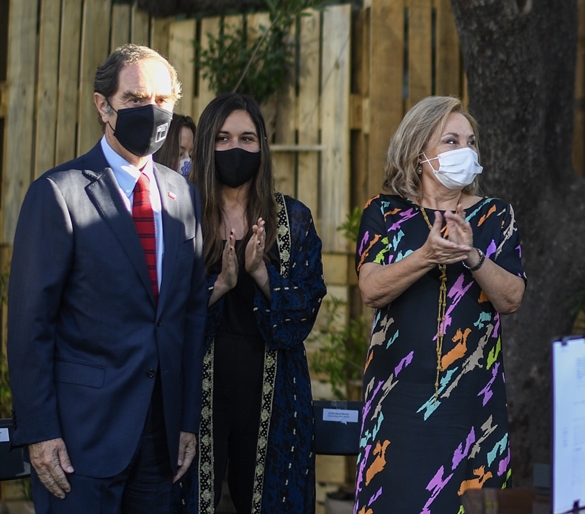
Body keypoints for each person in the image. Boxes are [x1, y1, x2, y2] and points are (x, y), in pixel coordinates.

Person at [7, 44, 208, 512]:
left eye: (162, 101)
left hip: (162, 442)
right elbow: (29, 326)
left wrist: (187, 421)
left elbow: (190, 316)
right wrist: (40, 432)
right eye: (136, 99)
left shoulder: (184, 195)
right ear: (104, 105)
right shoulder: (57, 194)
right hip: (80, 442)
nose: (152, 112)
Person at [353, 96, 525, 514]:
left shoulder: (495, 216)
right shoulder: (384, 213)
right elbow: (371, 289)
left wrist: (472, 256)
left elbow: (512, 297)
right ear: (418, 154)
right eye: (451, 141)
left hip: (474, 405)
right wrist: (426, 255)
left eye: (470, 142)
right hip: (396, 406)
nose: (465, 151)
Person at [172, 93, 326, 512]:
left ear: (262, 147)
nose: (234, 149)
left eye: (246, 138)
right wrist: (219, 285)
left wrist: (261, 274)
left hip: (275, 394)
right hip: (196, 391)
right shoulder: (181, 212)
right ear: (206, 144)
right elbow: (162, 311)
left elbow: (306, 308)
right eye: (221, 138)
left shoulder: (292, 219)